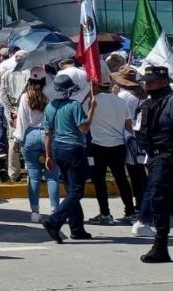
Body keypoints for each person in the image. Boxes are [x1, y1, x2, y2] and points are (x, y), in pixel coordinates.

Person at [41, 74, 94, 244]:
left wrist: (48, 155)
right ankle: (54, 220)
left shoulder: (50, 107)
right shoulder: (74, 105)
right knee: (77, 192)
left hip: (58, 149)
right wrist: (92, 109)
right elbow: (84, 128)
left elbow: (48, 133)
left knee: (71, 191)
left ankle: (77, 229)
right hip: (74, 149)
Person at [87, 72, 136, 226]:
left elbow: (86, 121)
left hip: (98, 145)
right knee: (121, 179)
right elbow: (128, 125)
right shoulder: (121, 101)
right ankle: (130, 212)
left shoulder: (92, 102)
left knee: (99, 181)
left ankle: (105, 213)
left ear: (96, 85)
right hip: (118, 144)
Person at [12, 66, 60, 222]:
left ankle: (35, 212)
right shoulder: (51, 96)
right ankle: (54, 210)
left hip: (30, 135)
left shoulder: (26, 97)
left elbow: (22, 120)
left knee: (34, 176)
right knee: (52, 176)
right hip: (49, 134)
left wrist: (17, 139)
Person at [111, 65, 154, 237]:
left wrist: (114, 96)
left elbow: (122, 116)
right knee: (140, 175)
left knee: (135, 175)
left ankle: (138, 208)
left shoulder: (123, 96)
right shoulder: (144, 96)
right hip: (141, 139)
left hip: (129, 139)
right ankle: (141, 207)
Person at [138, 65, 173, 263]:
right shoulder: (151, 102)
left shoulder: (170, 101)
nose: (148, 84)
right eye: (146, 81)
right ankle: (160, 248)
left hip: (167, 157)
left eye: (152, 81)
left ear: (164, 81)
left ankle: (160, 247)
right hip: (155, 158)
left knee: (159, 202)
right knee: (160, 202)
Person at [0, 50, 29, 181]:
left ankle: (13, 173)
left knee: (13, 140)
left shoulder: (7, 75)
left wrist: (11, 111)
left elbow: (2, 96)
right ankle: (29, 169)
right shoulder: (29, 74)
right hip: (26, 110)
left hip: (12, 111)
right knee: (28, 139)